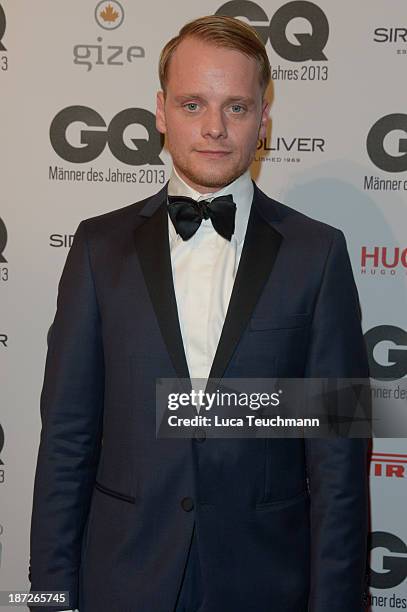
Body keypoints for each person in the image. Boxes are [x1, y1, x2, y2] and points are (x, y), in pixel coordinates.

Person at [29, 15, 370, 612]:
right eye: (193, 104)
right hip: (122, 579)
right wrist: (49, 599)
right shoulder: (96, 249)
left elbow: (339, 456)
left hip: (266, 582)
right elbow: (66, 442)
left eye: (236, 107)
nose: (214, 127)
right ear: (161, 111)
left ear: (264, 119)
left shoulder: (318, 254)